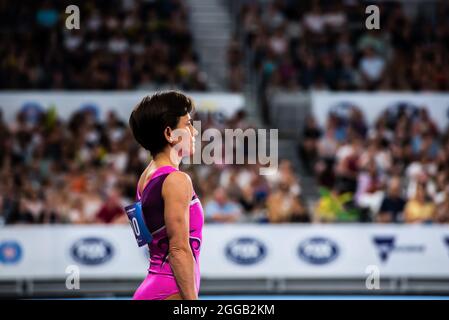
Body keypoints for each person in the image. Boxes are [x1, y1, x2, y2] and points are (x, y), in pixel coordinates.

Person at [128, 91, 202, 300]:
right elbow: (178, 250)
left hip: (153, 287)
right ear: (169, 134)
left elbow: (149, 240)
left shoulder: (145, 178)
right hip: (170, 291)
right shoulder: (177, 181)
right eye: (187, 124)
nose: (194, 132)